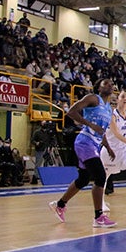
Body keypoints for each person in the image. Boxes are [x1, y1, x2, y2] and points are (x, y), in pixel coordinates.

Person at [48, 78, 116, 228]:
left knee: (83, 179)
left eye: (112, 84)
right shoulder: (92, 98)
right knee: (100, 177)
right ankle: (98, 217)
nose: (110, 85)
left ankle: (59, 204)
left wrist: (109, 147)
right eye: (106, 83)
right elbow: (71, 111)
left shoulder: (109, 108)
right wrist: (89, 123)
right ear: (99, 87)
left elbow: (101, 130)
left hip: (95, 145)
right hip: (84, 142)